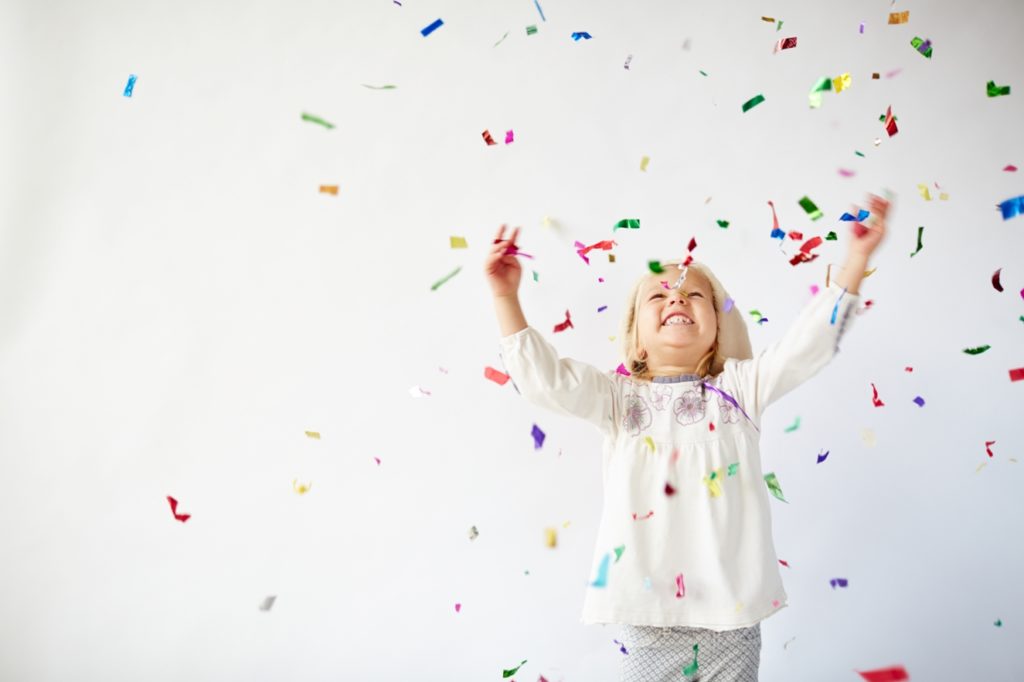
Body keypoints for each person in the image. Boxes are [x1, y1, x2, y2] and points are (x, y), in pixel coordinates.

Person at [484, 193, 890, 681]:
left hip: (731, 620)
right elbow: (545, 381)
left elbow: (807, 346)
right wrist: (506, 297)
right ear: (636, 339)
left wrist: (856, 260)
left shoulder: (741, 389)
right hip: (647, 618)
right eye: (659, 294)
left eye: (694, 294)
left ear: (718, 329)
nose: (676, 297)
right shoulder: (617, 400)